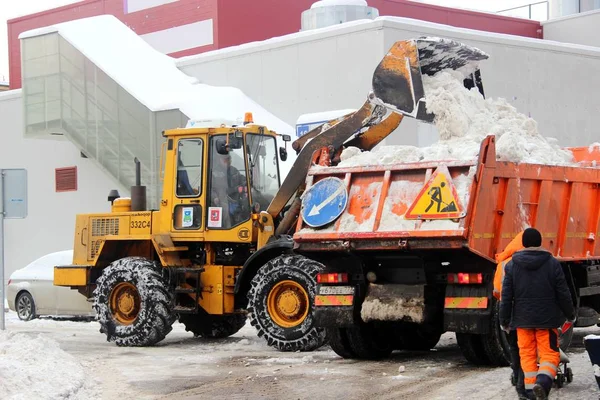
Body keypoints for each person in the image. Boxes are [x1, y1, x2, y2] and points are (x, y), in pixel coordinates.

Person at [499, 227, 576, 400]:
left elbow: (506, 296)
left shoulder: (512, 265)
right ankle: (542, 383)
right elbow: (563, 292)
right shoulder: (552, 263)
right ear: (540, 242)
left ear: (524, 243)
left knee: (527, 355)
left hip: (522, 321)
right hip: (547, 320)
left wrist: (504, 320)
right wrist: (569, 314)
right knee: (549, 354)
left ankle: (529, 392)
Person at [494, 231, 526, 399]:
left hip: (510, 312)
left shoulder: (503, 264)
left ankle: (516, 374)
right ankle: (529, 380)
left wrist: (504, 319)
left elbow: (498, 292)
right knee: (529, 348)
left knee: (514, 347)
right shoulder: (537, 262)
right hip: (529, 313)